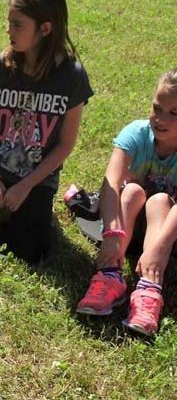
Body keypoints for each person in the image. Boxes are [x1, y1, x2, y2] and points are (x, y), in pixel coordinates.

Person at [0, 0, 93, 263]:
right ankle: (17, 219)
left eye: (17, 25)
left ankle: (32, 221)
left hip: (38, 177)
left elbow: (65, 144)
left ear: (45, 29)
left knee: (31, 252)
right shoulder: (0, 67)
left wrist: (26, 186)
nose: (8, 30)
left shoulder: (72, 77)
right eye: (9, 23)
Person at [75, 69, 177, 335]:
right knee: (130, 190)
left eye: (173, 113)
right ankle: (110, 276)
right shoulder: (137, 133)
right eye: (157, 108)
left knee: (160, 200)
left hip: (168, 230)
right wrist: (111, 233)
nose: (160, 118)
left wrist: (158, 248)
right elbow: (111, 180)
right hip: (126, 226)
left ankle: (149, 289)